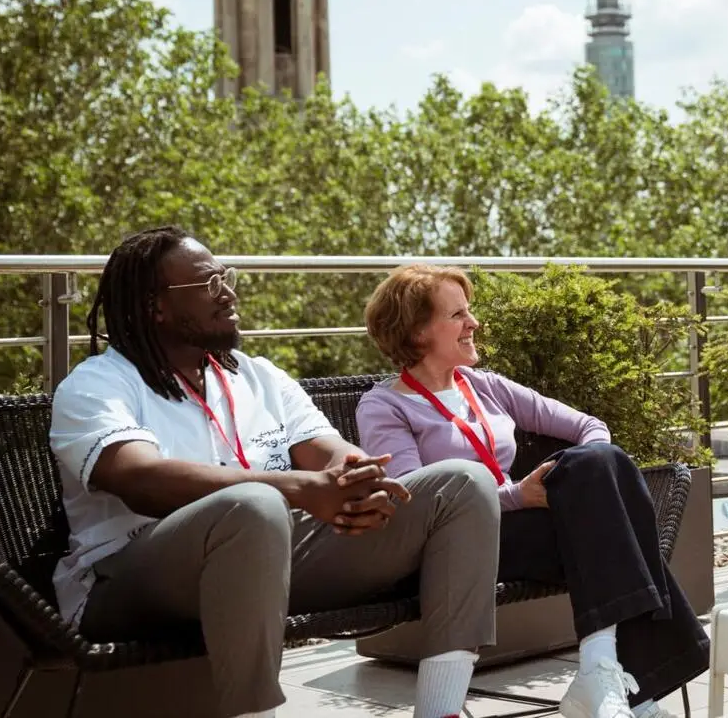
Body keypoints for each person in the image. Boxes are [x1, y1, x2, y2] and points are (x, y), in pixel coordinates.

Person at [50, 227, 502, 718]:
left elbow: (329, 452)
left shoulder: (257, 375)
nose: (228, 292)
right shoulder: (97, 385)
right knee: (255, 505)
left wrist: (358, 480)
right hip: (127, 578)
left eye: (226, 277)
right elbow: (141, 480)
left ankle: (441, 709)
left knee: (463, 483)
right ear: (154, 306)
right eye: (209, 284)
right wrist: (299, 488)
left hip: (269, 553)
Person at [355, 264, 709, 718]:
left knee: (601, 464)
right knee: (613, 533)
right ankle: (631, 695)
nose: (473, 323)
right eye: (457, 315)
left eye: (469, 311)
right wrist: (515, 496)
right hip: (457, 545)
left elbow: (590, 427)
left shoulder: (483, 386)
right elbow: (416, 499)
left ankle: (602, 671)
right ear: (417, 331)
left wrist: (587, 479)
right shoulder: (385, 406)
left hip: (519, 533)